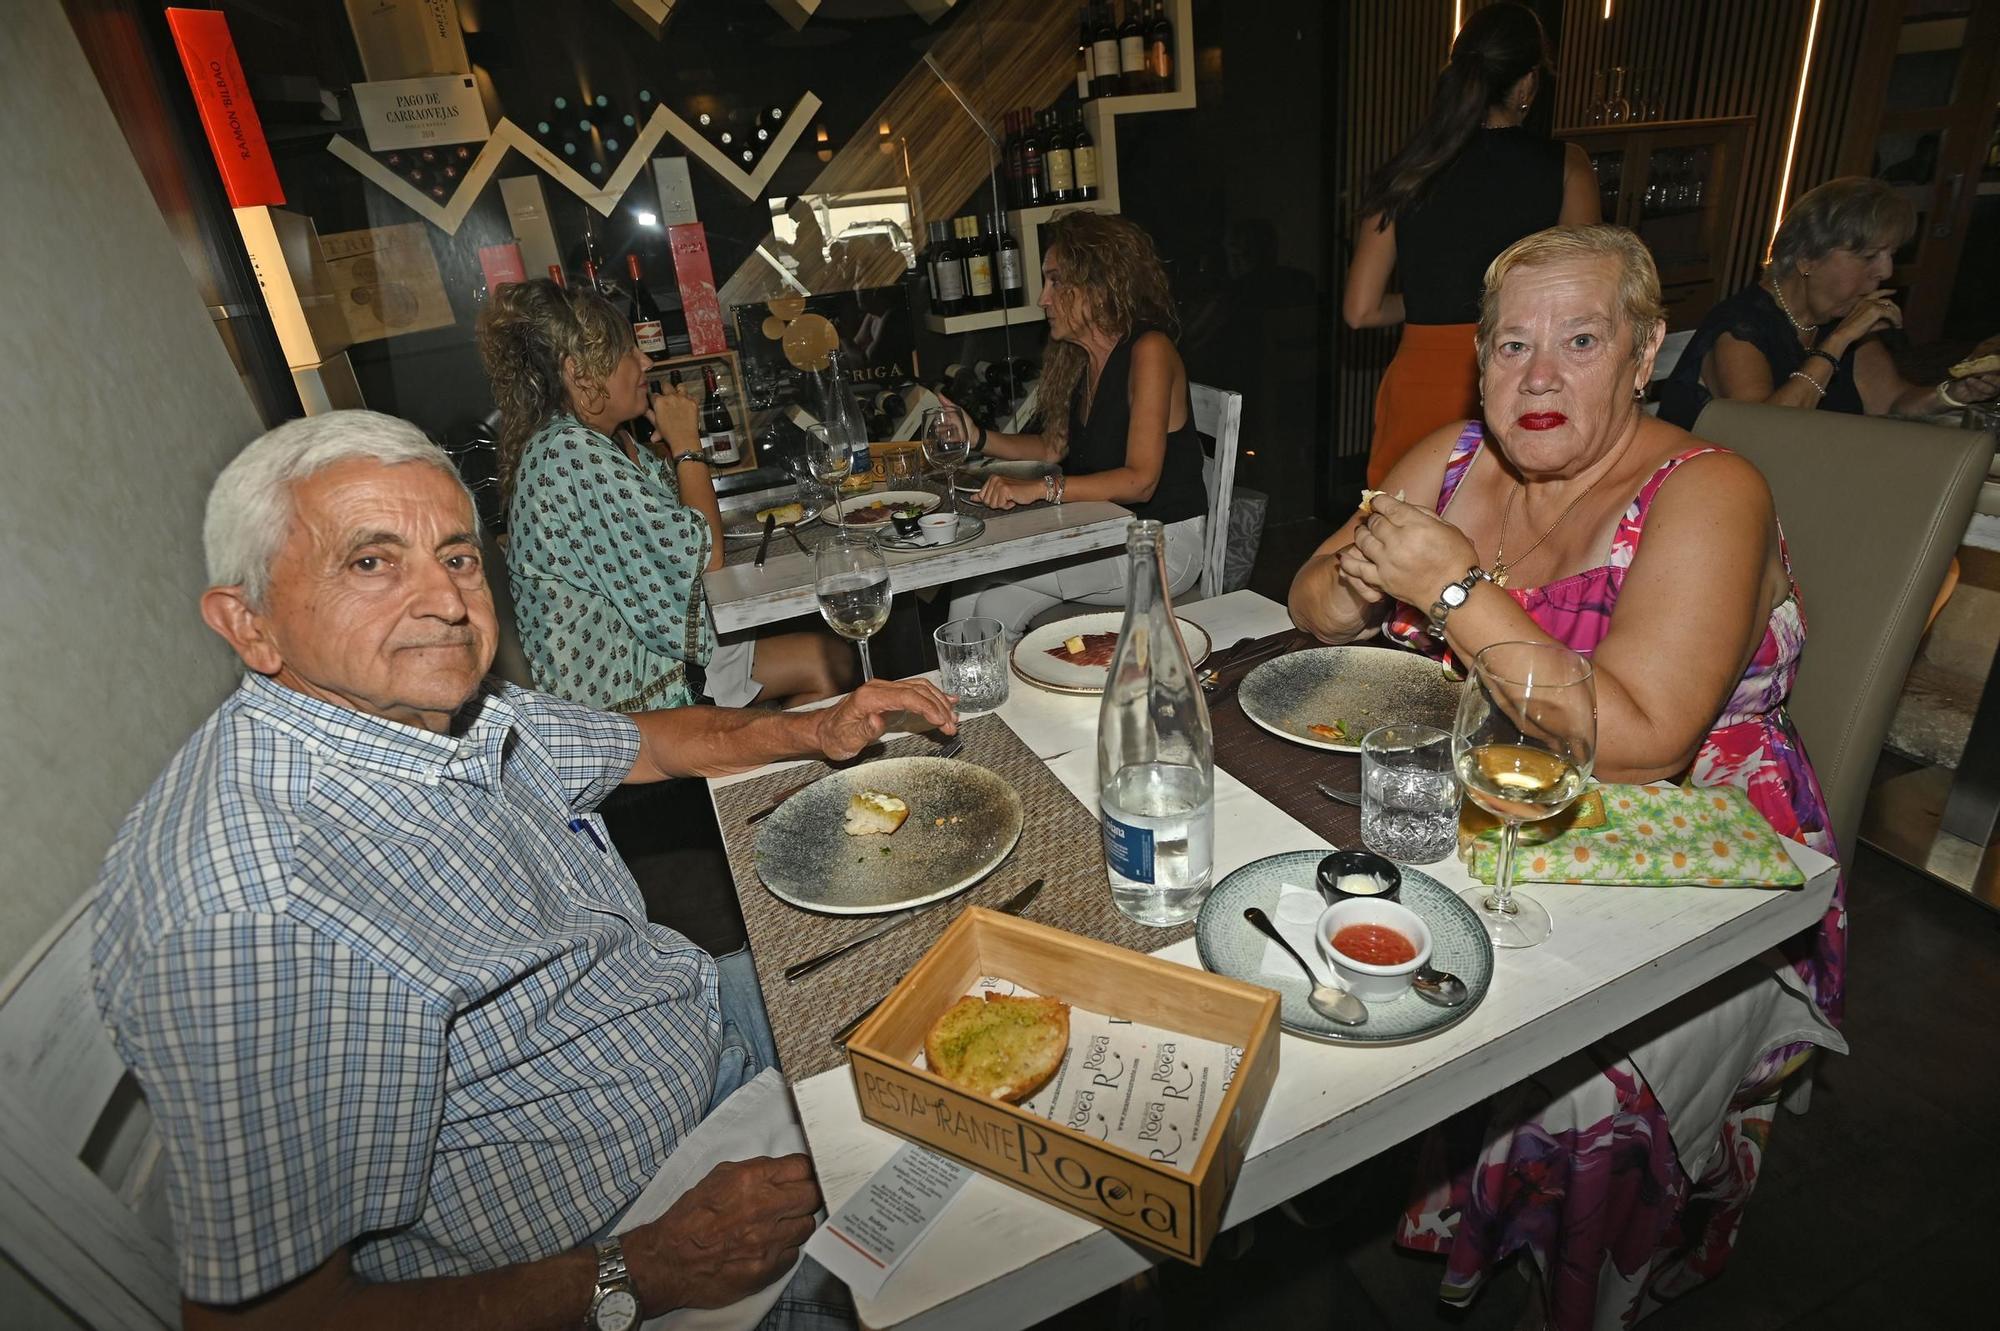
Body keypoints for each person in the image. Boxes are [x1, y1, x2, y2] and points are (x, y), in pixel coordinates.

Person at [90, 410, 958, 1329]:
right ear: (249, 624)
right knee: (987, 1232)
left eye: (458, 556)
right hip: (630, 1232)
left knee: (952, 959)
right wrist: (648, 1267)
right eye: (371, 561)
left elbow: (648, 744)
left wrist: (810, 728)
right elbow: (263, 1322)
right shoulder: (261, 909)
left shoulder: (440, 709)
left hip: (697, 1022)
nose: (447, 601)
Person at [1291, 225, 1847, 1328]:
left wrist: (1450, 590)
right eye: (1509, 346)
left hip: (1690, 842)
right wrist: (1358, 584)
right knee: (1320, 912)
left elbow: (1639, 735)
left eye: (1579, 339)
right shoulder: (1448, 459)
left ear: (1643, 353)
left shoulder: (1709, 487)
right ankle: (1364, 1171)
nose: (1536, 374)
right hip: (1482, 793)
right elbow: (1311, 599)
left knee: (1556, 1052)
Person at [477, 277, 854, 713]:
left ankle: (757, 761)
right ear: (579, 374)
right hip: (627, 697)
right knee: (827, 663)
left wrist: (668, 452)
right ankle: (745, 768)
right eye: (626, 352)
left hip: (662, 653)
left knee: (832, 657)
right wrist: (686, 445)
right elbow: (704, 552)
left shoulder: (605, 441)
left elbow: (678, 523)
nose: (647, 360)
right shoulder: (568, 454)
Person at [1343, 1, 1600, 488]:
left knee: (1402, 540)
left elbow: (1361, 310)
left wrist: (1429, 302)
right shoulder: (1566, 166)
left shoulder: (1409, 171)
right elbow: (1582, 300)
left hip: (1420, 384)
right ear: (1526, 84)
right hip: (1522, 375)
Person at [945, 211, 1208, 635]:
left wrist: (1038, 489)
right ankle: (967, 696)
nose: (1043, 299)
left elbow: (1140, 481)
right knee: (974, 587)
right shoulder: (1082, 360)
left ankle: (975, 696)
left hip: (1162, 547)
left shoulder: (1149, 352)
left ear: (1099, 285)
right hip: (1107, 531)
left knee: (988, 586)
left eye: (1055, 281)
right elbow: (1053, 448)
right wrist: (978, 437)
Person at [1657, 175, 2000, 427]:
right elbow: (1764, 433)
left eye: (1891, 255)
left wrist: (1955, 393)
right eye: (1869, 256)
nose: (1886, 271)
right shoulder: (1740, 329)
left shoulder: (1840, 319)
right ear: (1807, 258)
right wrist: (1837, 343)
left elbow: (1891, 401)